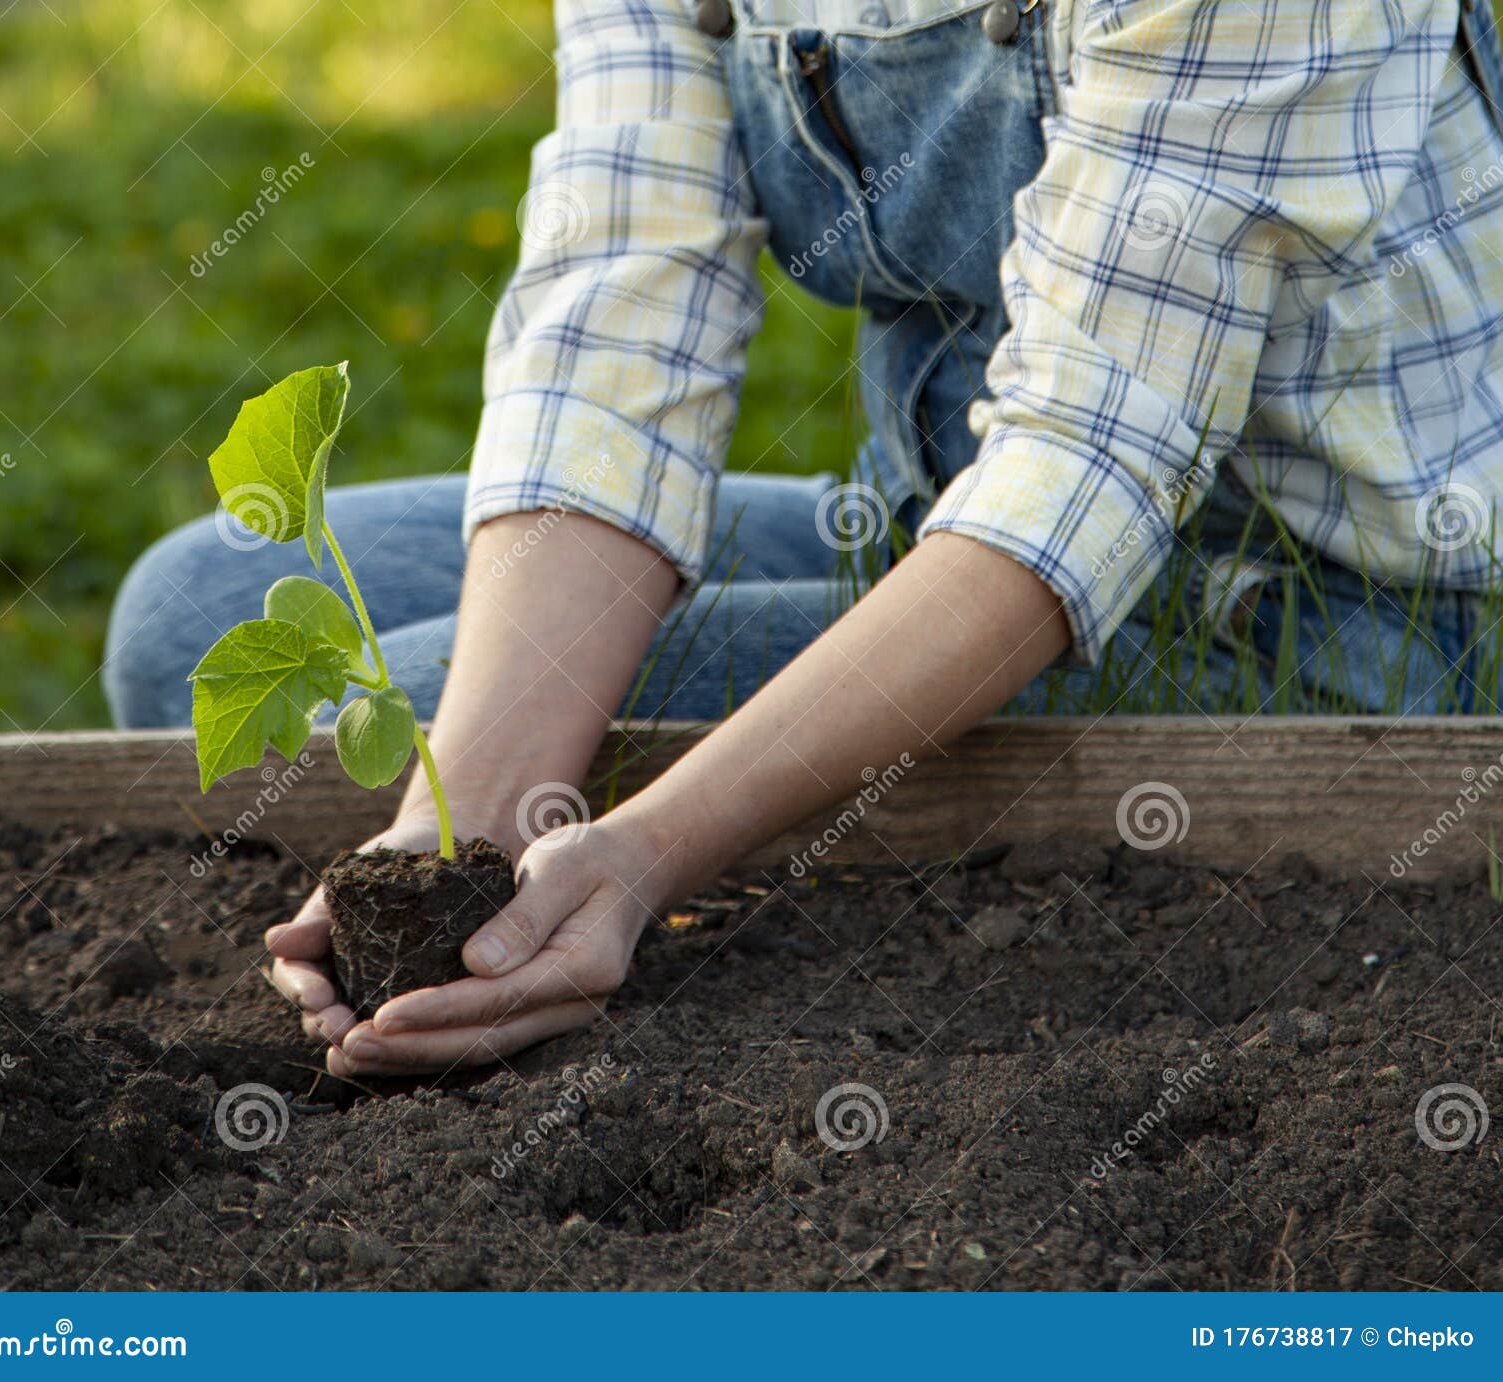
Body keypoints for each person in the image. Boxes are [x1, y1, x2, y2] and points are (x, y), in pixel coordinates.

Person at [105, 0, 1503, 1075]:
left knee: (388, 695)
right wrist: (447, 839)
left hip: (1331, 617)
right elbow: (622, 321)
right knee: (208, 616)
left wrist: (635, 861)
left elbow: (1092, 463)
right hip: (945, 528)